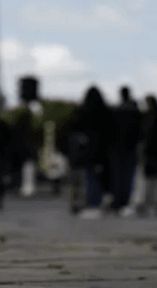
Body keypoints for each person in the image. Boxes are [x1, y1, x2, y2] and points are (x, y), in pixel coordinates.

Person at [68, 86, 113, 218]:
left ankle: (84, 203)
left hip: (84, 151)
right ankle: (96, 202)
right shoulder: (105, 112)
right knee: (97, 178)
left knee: (84, 179)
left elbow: (72, 128)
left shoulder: (81, 112)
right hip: (101, 150)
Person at [109, 87, 142, 216]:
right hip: (130, 149)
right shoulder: (135, 112)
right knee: (128, 178)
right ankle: (125, 202)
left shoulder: (116, 111)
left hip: (117, 149)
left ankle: (118, 201)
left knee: (118, 177)